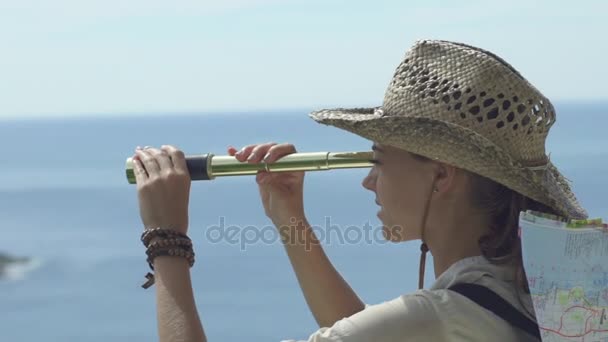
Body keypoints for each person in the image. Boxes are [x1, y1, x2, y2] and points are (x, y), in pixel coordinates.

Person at [130, 39, 588, 341]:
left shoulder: (442, 317)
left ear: (443, 175)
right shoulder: (527, 294)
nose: (368, 180)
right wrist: (290, 219)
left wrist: (166, 239)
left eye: (379, 160)